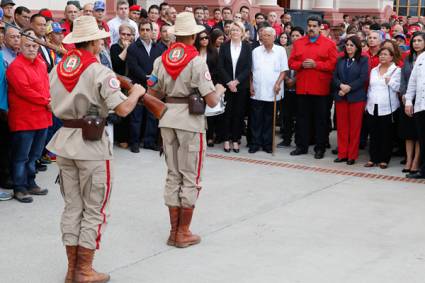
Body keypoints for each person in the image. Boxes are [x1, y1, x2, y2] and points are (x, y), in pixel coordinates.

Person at [47, 16, 146, 283]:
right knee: (94, 209)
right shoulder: (99, 70)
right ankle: (84, 270)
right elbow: (123, 109)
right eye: (100, 38)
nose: (103, 41)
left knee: (71, 207)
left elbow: (49, 103)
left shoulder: (57, 69)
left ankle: (72, 269)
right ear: (93, 42)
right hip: (91, 145)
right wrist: (136, 92)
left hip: (65, 141)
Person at [148, 12, 225, 249]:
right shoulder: (196, 61)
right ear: (193, 35)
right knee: (190, 175)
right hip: (190, 121)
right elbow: (211, 100)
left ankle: (174, 230)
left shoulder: (161, 60)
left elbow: (153, 93)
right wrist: (220, 89)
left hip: (167, 117)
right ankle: (182, 232)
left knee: (173, 174)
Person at [6, 29, 52, 203]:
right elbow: (24, 91)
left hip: (42, 117)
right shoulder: (15, 67)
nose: (32, 49)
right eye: (28, 46)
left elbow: (46, 86)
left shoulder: (40, 64)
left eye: (34, 46)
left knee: (34, 156)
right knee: (21, 156)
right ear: (20, 47)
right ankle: (19, 187)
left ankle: (31, 182)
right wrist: (47, 101)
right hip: (24, 120)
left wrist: (49, 99)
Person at [288, 16, 338, 159]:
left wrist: (317, 65)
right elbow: (291, 62)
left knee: (321, 120)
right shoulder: (299, 43)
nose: (311, 28)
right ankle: (301, 146)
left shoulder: (329, 44)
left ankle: (320, 148)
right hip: (303, 88)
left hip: (321, 89)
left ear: (320, 27)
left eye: (314, 26)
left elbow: (333, 65)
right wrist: (301, 65)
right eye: (309, 25)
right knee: (302, 119)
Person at [127, 19, 166, 152]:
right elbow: (133, 67)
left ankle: (149, 141)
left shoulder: (159, 48)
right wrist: (146, 77)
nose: (145, 32)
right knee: (136, 116)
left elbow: (161, 66)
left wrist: (154, 79)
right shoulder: (133, 47)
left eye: (147, 30)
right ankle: (135, 142)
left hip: (154, 87)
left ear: (152, 31)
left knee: (151, 115)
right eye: (142, 30)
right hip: (138, 86)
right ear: (139, 31)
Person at [250, 27, 288, 153]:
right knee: (256, 118)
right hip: (258, 90)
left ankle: (267, 144)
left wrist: (278, 83)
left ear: (274, 37)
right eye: (263, 35)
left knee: (269, 119)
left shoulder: (280, 50)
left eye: (267, 35)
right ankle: (255, 143)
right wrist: (250, 85)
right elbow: (251, 71)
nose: (264, 37)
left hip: (273, 91)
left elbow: (284, 70)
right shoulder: (255, 51)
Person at [332, 36, 369, 165]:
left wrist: (349, 88)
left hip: (356, 98)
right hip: (341, 96)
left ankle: (352, 155)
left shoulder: (363, 60)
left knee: (355, 128)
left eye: (352, 45)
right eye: (347, 45)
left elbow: (363, 78)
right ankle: (342, 153)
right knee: (342, 127)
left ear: (357, 47)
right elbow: (335, 76)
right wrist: (341, 86)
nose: (348, 47)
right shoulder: (340, 59)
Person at [218, 22, 252, 153]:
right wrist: (229, 82)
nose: (234, 32)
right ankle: (226, 139)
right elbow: (220, 67)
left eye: (237, 30)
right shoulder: (224, 46)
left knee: (238, 114)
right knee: (227, 113)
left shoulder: (247, 47)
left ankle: (236, 139)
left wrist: (236, 81)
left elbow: (248, 67)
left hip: (241, 86)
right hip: (226, 86)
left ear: (242, 32)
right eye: (232, 30)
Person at [365, 47, 401, 169]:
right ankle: (373, 158)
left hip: (388, 107)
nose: (382, 56)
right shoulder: (374, 70)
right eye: (381, 54)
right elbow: (370, 87)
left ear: (391, 57)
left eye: (385, 54)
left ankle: (384, 159)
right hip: (372, 105)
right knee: (373, 133)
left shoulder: (396, 70)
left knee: (386, 134)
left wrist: (390, 81)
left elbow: (399, 88)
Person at [399, 32, 424, 175]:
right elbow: (404, 78)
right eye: (414, 41)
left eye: (420, 40)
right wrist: (404, 94)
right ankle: (408, 159)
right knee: (409, 132)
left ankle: (416, 161)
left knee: (419, 133)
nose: (416, 43)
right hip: (408, 98)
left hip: (421, 100)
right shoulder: (408, 58)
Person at [278, 26, 304, 148]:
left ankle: (299, 141)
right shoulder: (284, 50)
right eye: (292, 36)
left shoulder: (306, 49)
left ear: (302, 37)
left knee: (299, 116)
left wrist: (295, 80)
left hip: (300, 87)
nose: (294, 38)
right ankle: (286, 139)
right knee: (286, 116)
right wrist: (287, 79)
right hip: (286, 86)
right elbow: (281, 67)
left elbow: (304, 68)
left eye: (297, 35)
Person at [194, 30, 220, 147]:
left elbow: (217, 70)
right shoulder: (194, 52)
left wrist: (214, 85)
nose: (204, 40)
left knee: (210, 113)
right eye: (202, 38)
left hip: (210, 85)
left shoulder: (213, 52)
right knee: (197, 111)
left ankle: (210, 136)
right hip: (195, 86)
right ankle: (198, 134)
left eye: (206, 38)